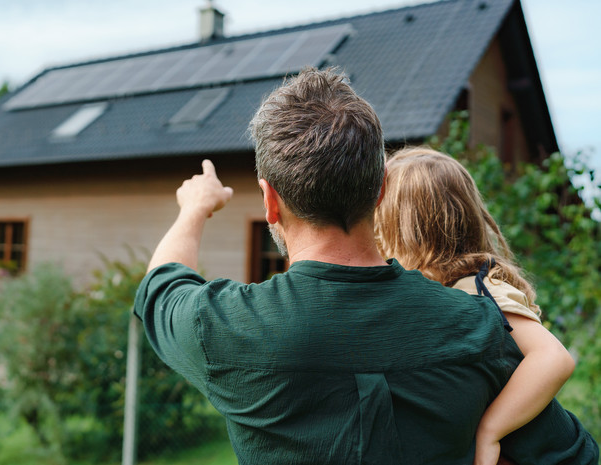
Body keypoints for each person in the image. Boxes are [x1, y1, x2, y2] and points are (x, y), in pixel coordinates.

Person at [133, 67, 598, 464]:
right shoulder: (477, 326)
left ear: (270, 201)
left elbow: (161, 283)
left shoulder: (223, 326)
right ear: (379, 192)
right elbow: (575, 455)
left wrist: (195, 207)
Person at [374, 147, 580, 465]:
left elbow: (554, 359)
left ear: (406, 231)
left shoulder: (481, 290)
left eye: (380, 222)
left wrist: (490, 430)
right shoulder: (439, 292)